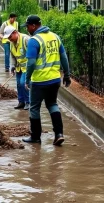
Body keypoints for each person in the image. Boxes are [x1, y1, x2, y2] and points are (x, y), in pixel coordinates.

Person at [22, 15, 71, 146]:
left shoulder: (34, 40)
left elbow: (31, 63)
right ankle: (59, 134)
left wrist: (27, 79)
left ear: (33, 26)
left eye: (27, 26)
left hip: (39, 80)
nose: (27, 29)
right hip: (55, 79)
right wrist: (66, 74)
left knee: (34, 108)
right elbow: (64, 57)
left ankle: (35, 137)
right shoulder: (55, 37)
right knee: (52, 104)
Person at [3, 26, 30, 110]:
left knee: (23, 83)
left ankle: (28, 102)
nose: (9, 39)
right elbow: (12, 55)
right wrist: (13, 66)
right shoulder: (11, 42)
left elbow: (33, 55)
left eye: (10, 37)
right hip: (19, 67)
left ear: (15, 32)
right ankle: (21, 101)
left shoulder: (26, 40)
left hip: (27, 67)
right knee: (18, 84)